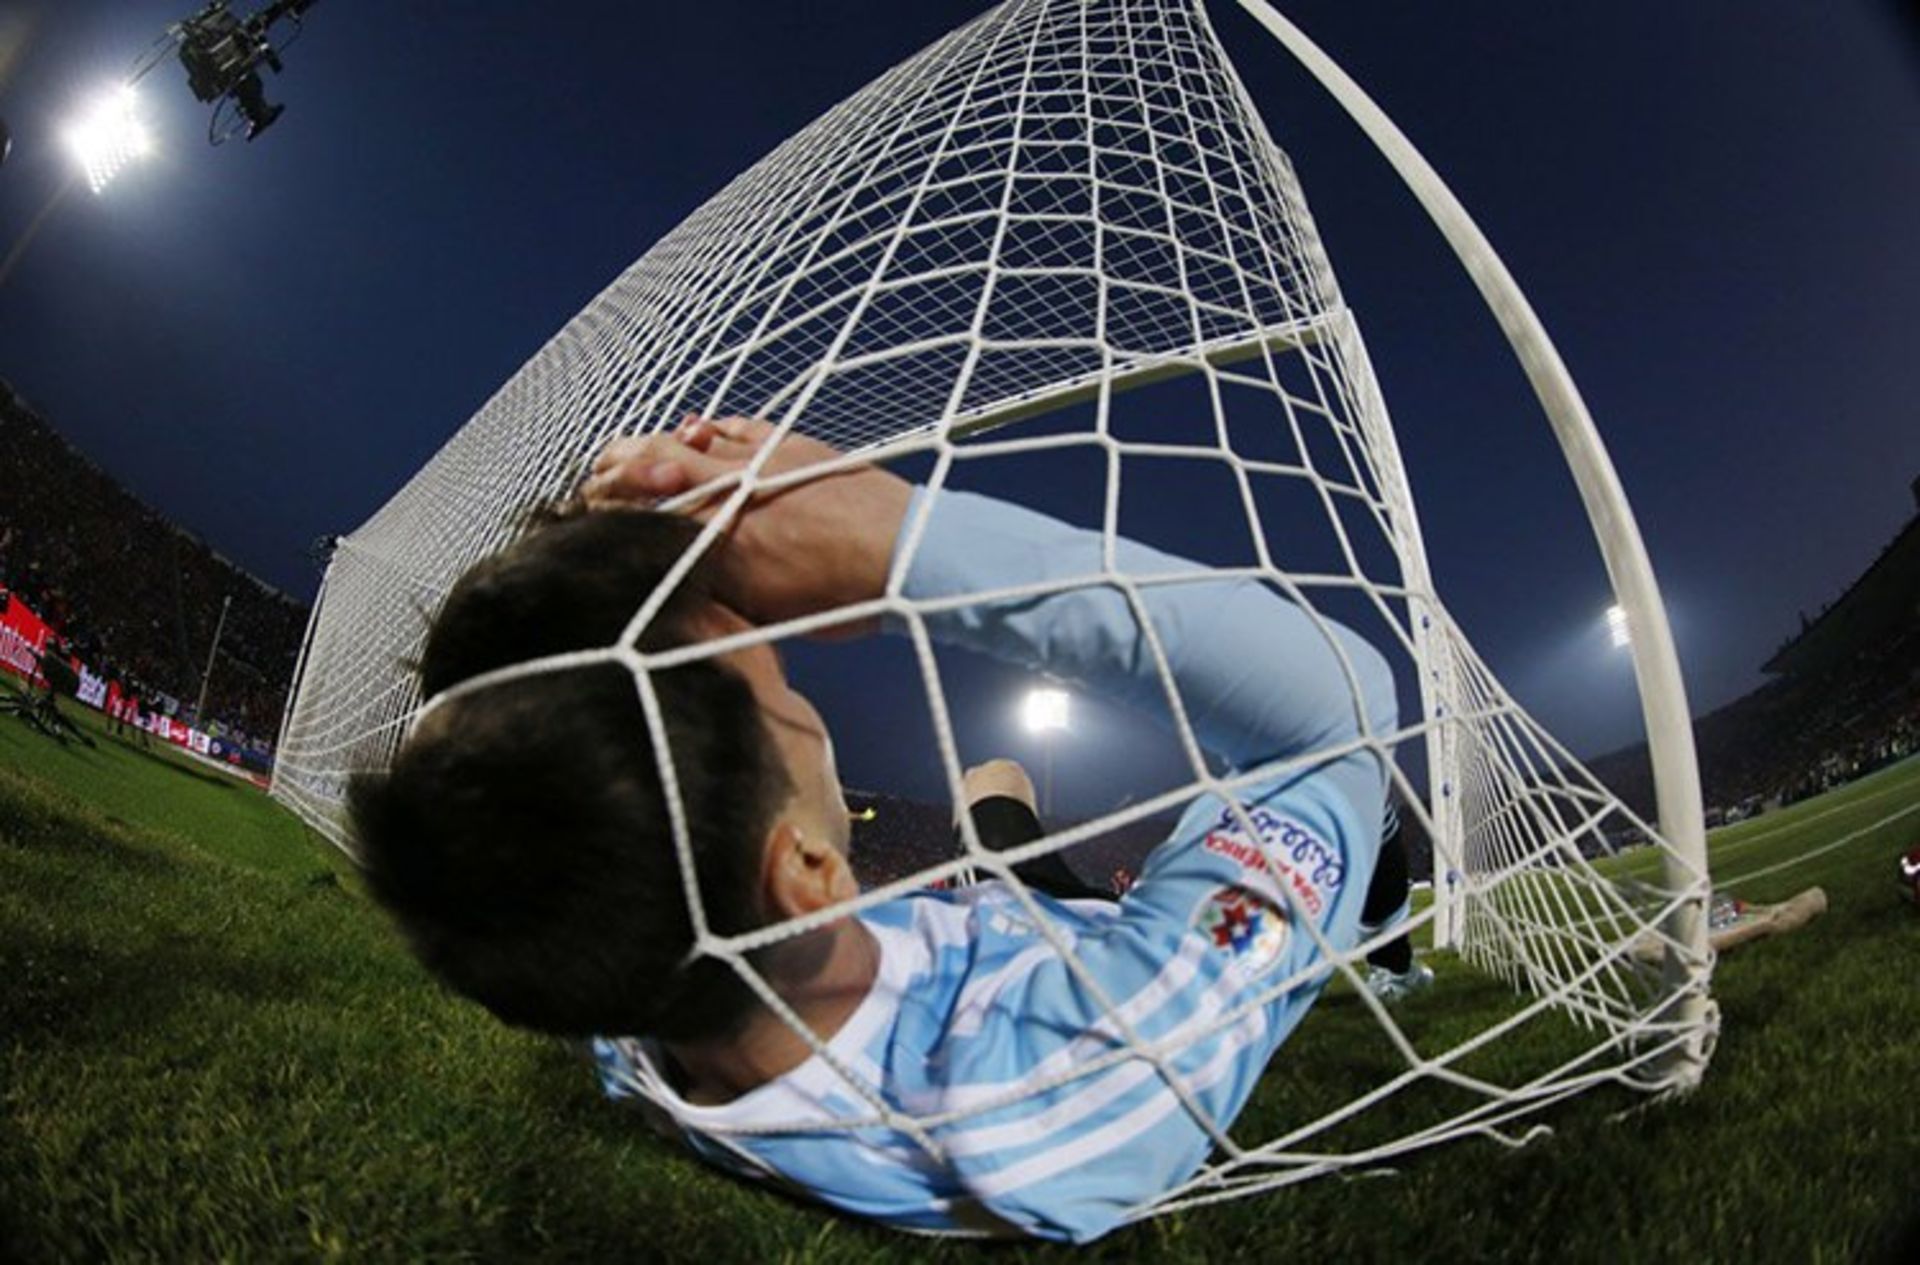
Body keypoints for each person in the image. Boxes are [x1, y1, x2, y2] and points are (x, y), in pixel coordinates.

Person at [351, 414, 1402, 1242]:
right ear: (807, 868)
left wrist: (605, 555)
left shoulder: (623, 978)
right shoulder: (1053, 1098)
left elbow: (524, 769)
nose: (802, 688)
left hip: (986, 911)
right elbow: (1342, 704)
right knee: (1348, 804)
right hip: (1091, 940)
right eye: (779, 675)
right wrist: (897, 539)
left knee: (997, 793)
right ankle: (1386, 935)